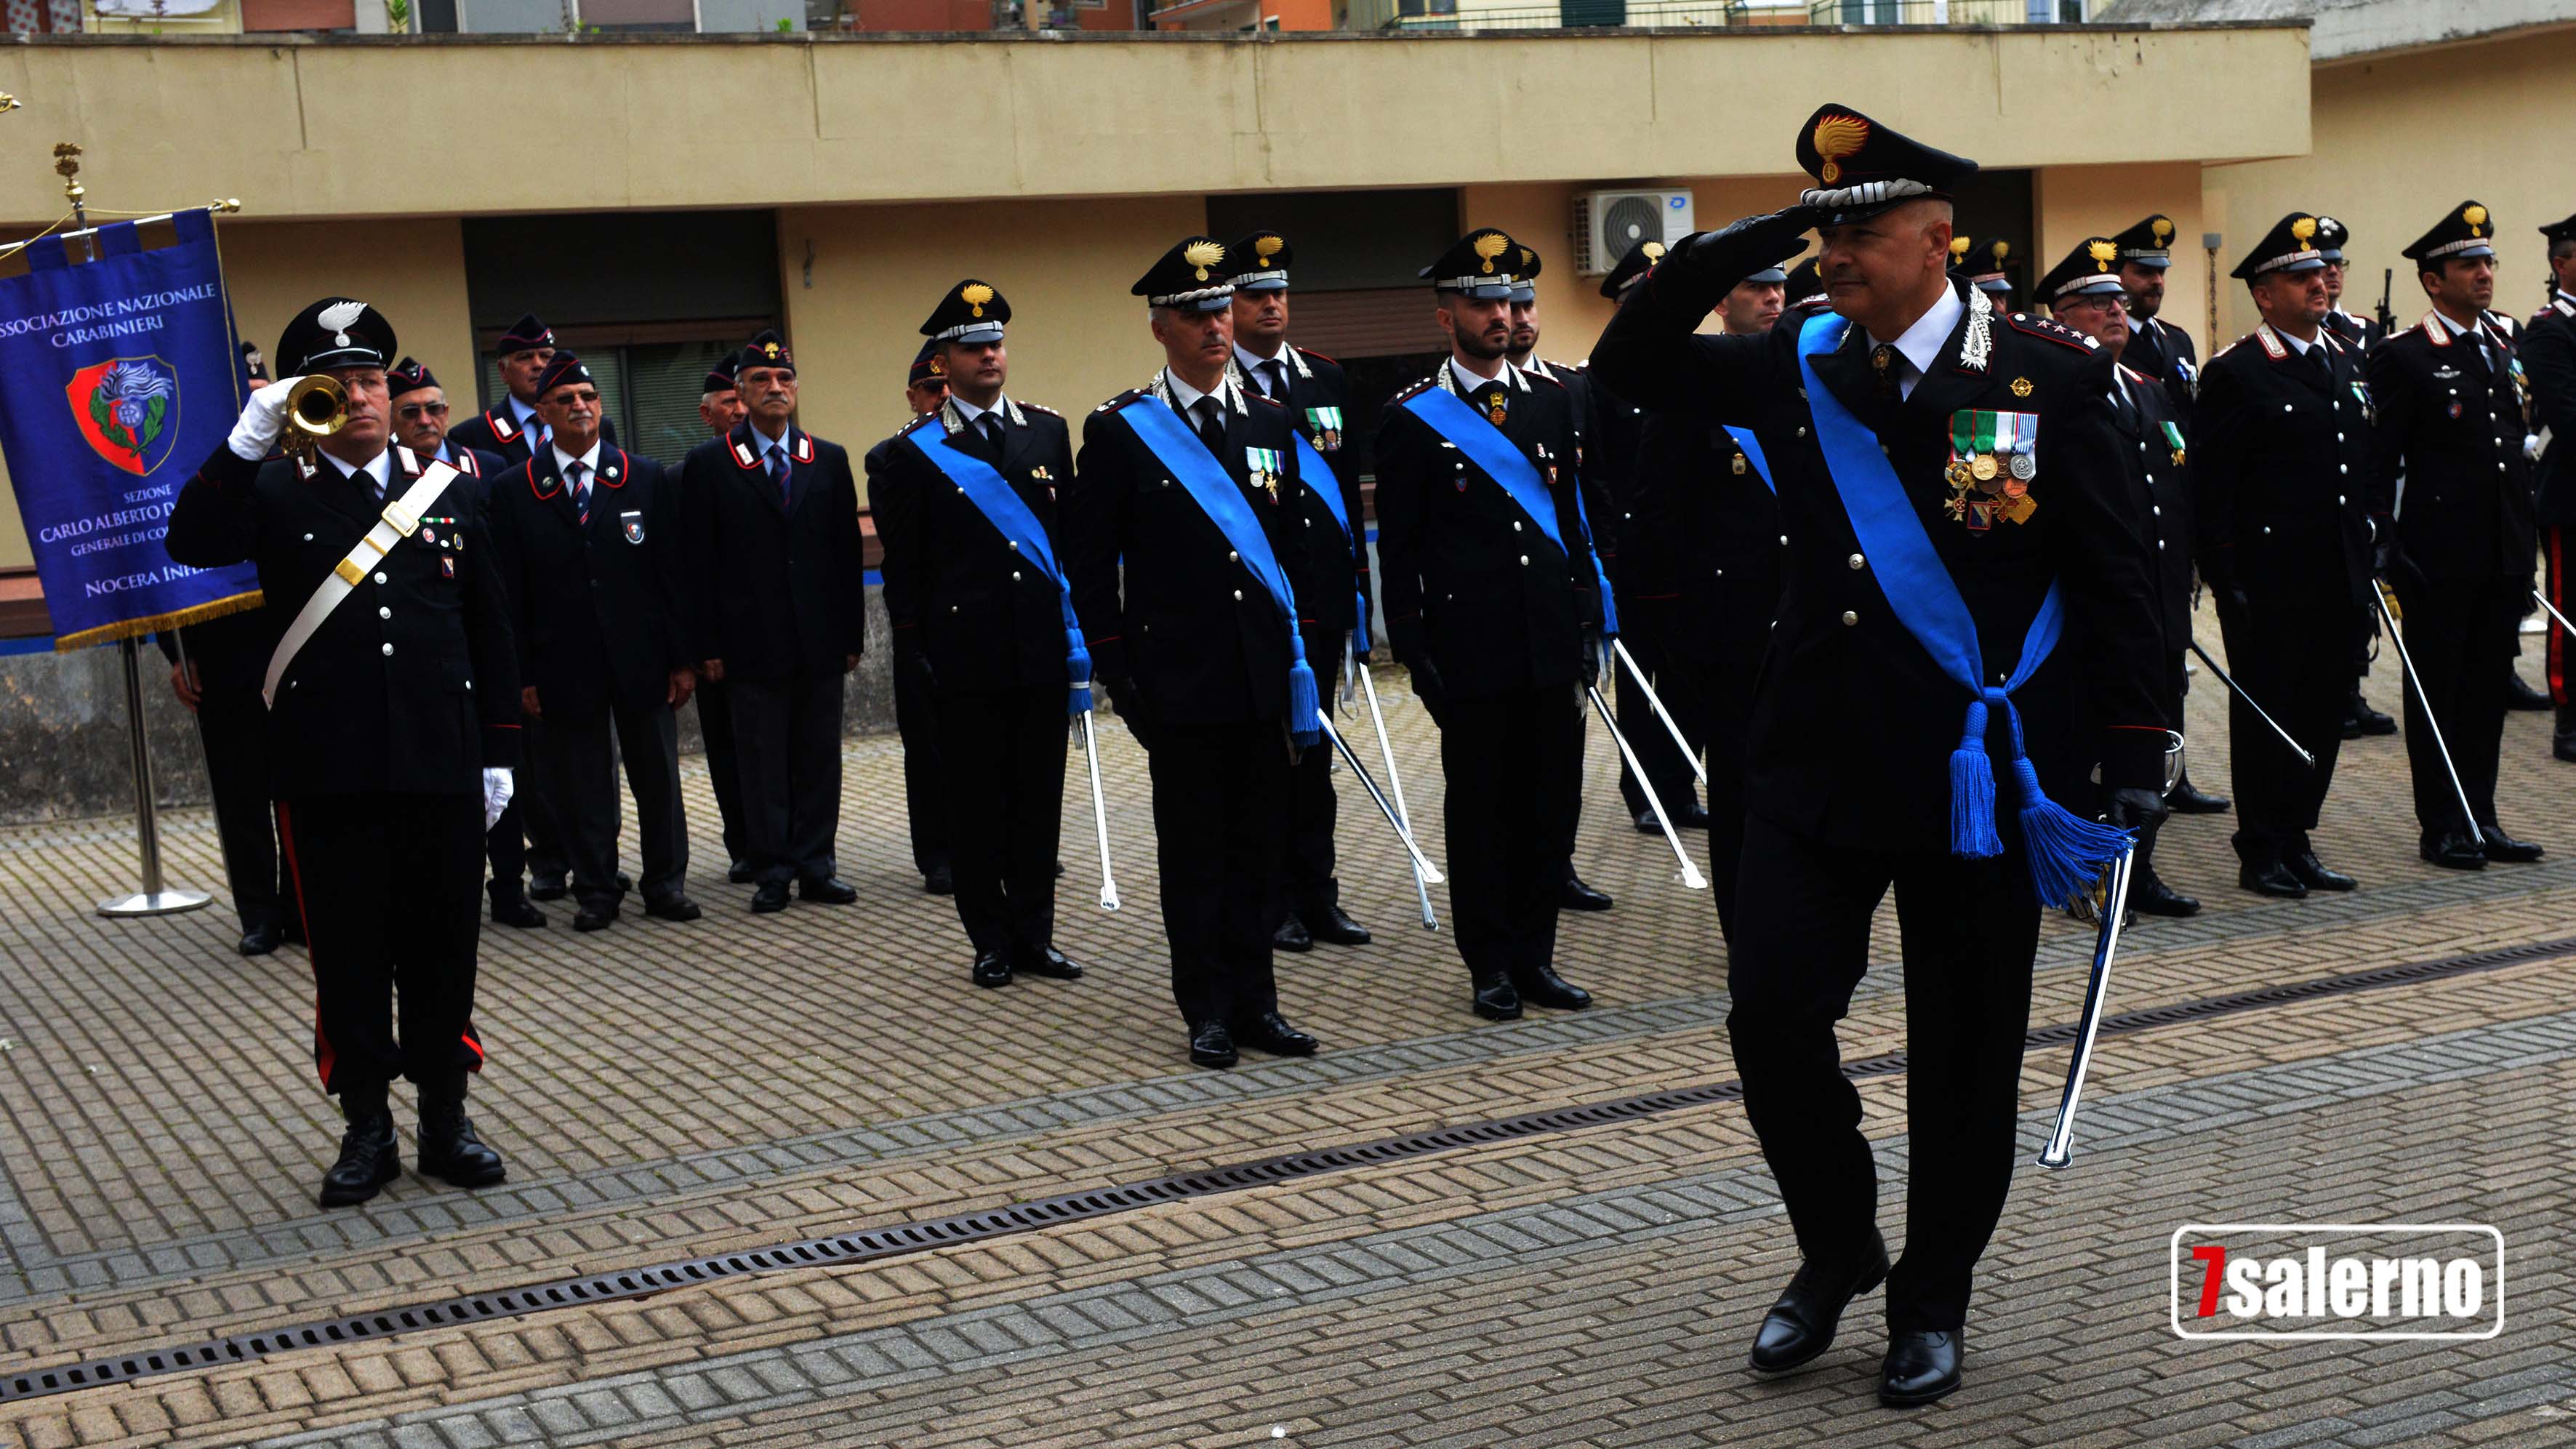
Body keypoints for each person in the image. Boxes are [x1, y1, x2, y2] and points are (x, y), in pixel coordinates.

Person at [1589, 107, 2167, 1407]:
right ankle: (1835, 1245)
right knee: (1770, 1016)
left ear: (1932, 239)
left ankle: (1930, 1295)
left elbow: (2117, 577)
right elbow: (1628, 361)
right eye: (1821, 226)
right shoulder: (1792, 362)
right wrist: (1735, 235)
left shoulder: (2046, 376)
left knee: (1963, 1055)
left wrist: (2134, 747)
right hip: (1814, 763)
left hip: (1980, 769)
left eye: (1855, 228)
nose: (1832, 250)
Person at [165, 297, 518, 1208]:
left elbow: (489, 626)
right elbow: (190, 541)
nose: (360, 397)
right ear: (304, 400)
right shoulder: (276, 490)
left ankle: (447, 1116)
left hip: (441, 762)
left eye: (370, 379)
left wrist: (500, 754)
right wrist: (245, 442)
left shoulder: (452, 488)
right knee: (350, 956)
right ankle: (367, 1125)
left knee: (445, 946)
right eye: (338, 385)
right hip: (327, 769)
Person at [1065, 236, 1325, 1070]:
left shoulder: (1272, 423)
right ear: (1160, 327)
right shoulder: (1121, 431)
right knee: (1195, 855)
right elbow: (1089, 563)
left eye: (1222, 309)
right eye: (1195, 314)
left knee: (1260, 849)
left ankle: (1259, 1004)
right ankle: (1206, 1008)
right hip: (1175, 681)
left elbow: (1287, 551)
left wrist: (1303, 661)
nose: (1216, 326)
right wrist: (1118, 671)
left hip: (1259, 678)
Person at [1378, 228, 1610, 1025]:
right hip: (1471, 650)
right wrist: (1412, 646)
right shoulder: (1412, 418)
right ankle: (1491, 965)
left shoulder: (1551, 399)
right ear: (1447, 316)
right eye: (1482, 303)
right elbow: (1400, 545)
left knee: (1550, 807)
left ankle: (1537, 955)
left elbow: (1570, 523)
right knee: (1482, 812)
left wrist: (1586, 615)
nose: (1501, 315)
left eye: (1510, 300)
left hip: (1548, 642)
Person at [871, 282, 1084, 990]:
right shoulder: (909, 455)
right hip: (964, 655)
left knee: (1036, 798)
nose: (989, 354)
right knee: (974, 803)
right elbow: (904, 571)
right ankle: (989, 938)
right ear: (945, 358)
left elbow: (1066, 548)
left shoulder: (1047, 432)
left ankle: (1035, 934)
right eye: (973, 345)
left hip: (1040, 649)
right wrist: (916, 654)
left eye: (996, 341)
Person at [487, 353, 703, 930]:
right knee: (580, 786)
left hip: (643, 659)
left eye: (588, 396)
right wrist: (524, 675)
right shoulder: (516, 489)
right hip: (563, 664)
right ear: (543, 413)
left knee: (656, 777)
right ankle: (597, 890)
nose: (579, 406)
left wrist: (682, 659)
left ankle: (664, 884)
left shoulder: (644, 475)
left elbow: (671, 575)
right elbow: (510, 592)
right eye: (565, 400)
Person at [1617, 242, 1793, 945]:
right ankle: (1746, 924)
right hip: (1730, 627)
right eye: (1756, 288)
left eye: (1779, 287)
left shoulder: (1809, 379)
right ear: (1722, 302)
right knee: (1742, 786)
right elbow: (1658, 513)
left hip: (1802, 618)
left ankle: (1798, 913)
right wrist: (1670, 626)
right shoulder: (1692, 388)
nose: (1774, 298)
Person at [2195, 214, 2375, 898]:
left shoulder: (2342, 360)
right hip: (2270, 581)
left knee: (2324, 709)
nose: (2317, 286)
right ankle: (2260, 845)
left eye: (2318, 275)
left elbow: (2355, 467)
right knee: (2268, 712)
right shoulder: (2238, 372)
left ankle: (2299, 834)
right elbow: (2215, 486)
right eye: (2298, 279)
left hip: (2338, 573)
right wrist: (2223, 575)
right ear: (2264, 295)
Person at [2365, 202, 2545, 869]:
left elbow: (2509, 454)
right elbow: (2377, 462)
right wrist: (2381, 542)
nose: (2483, 273)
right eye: (2467, 264)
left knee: (2485, 693)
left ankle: (2483, 814)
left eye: (2487, 261)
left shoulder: (2502, 343)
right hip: (2437, 556)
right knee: (2438, 694)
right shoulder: (2404, 356)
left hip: (2500, 551)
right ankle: (2441, 823)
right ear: (2432, 281)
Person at [1221, 230, 1375, 952]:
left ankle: (1320, 896)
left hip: (1323, 604)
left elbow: (1346, 495)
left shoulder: (1325, 379)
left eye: (1279, 292)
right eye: (1255, 295)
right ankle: (1272, 899)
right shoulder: (1221, 391)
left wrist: (1360, 599)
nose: (1272, 306)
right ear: (1227, 305)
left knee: (1316, 764)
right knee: (1265, 770)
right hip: (1259, 609)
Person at [2040, 237, 2200, 917]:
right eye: (2095, 303)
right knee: (2086, 748)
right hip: (2087, 609)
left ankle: (2140, 869)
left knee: (2148, 746)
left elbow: (2174, 491)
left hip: (2154, 606)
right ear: (2060, 315)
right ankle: (2084, 876)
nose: (2115, 311)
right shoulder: (2047, 394)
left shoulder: (2147, 389)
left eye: (2117, 300)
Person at [682, 331, 867, 912]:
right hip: (747, 640)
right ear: (740, 392)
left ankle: (817, 865)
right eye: (761, 380)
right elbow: (695, 561)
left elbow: (845, 555)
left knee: (817, 757)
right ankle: (772, 870)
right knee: (761, 762)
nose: (774, 388)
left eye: (784, 379)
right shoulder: (710, 464)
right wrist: (705, 643)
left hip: (817, 640)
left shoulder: (828, 459)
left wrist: (850, 635)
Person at [385, 357, 557, 927]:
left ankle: (510, 887)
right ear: (392, 419)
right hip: (426, 650)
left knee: (501, 771)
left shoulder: (484, 468)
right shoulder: (383, 477)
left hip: (487, 638)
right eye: (411, 412)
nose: (426, 420)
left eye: (435, 409)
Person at [1500, 244, 1624, 912]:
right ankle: (1515, 874)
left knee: (1564, 753)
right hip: (1503, 606)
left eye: (1526, 305)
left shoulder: (1568, 389)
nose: (1519, 318)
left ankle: (1559, 864)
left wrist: (1601, 575)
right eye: (1507, 306)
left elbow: (1592, 487)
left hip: (1567, 592)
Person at [2103, 215, 2228, 814]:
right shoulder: (2108, 345)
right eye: (2142, 272)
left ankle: (2174, 771)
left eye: (2158, 273)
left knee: (2174, 659)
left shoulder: (2174, 341)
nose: (2152, 283)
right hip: (2130, 524)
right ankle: (2142, 773)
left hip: (2169, 523)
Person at [864, 341, 957, 896]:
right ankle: (940, 854)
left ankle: (1009, 843)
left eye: (949, 386)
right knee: (930, 747)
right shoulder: (890, 457)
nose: (942, 396)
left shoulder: (999, 443)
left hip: (992, 619)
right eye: (932, 388)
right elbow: (902, 548)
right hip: (923, 620)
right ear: (913, 397)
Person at [159, 609, 302, 955]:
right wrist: (180, 654)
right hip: (221, 649)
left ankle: (302, 910)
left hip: (296, 642)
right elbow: (173, 577)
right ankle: (259, 916)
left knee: (304, 790)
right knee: (239, 794)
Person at [683, 352, 755, 883]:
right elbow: (689, 566)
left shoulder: (791, 461)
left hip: (775, 635)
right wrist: (702, 643)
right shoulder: (691, 471)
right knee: (729, 750)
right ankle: (744, 845)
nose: (738, 409)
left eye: (740, 399)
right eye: (727, 402)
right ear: (707, 414)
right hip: (720, 642)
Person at [445, 313, 618, 465]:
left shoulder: (597, 426)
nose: (538, 365)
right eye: (525, 357)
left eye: (546, 356)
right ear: (503, 371)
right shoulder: (472, 435)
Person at [2531, 212, 2576, 762]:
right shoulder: (2550, 328)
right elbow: (2565, 415)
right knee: (2570, 608)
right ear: (2561, 264)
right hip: (2570, 493)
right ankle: (2568, 717)